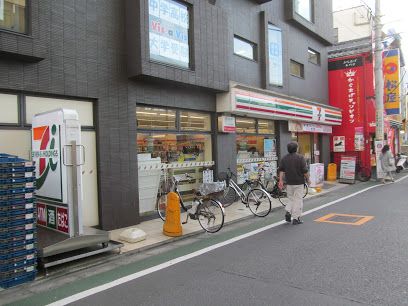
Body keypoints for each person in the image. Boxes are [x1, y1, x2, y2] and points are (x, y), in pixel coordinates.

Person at [278, 142, 310, 225]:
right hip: (299, 182)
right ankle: (296, 218)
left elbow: (281, 170)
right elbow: (305, 171)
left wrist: (280, 180)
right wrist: (308, 179)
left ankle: (288, 211)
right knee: (298, 200)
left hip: (289, 183)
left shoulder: (284, 158)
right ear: (296, 148)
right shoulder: (300, 158)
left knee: (291, 199)